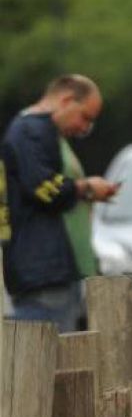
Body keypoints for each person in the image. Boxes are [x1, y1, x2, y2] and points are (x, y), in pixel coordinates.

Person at [1, 74, 119, 332]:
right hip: (43, 272)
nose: (84, 128)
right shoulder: (31, 131)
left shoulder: (37, 131)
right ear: (66, 100)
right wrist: (87, 188)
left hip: (50, 272)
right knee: (47, 364)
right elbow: (45, 188)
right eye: (85, 117)